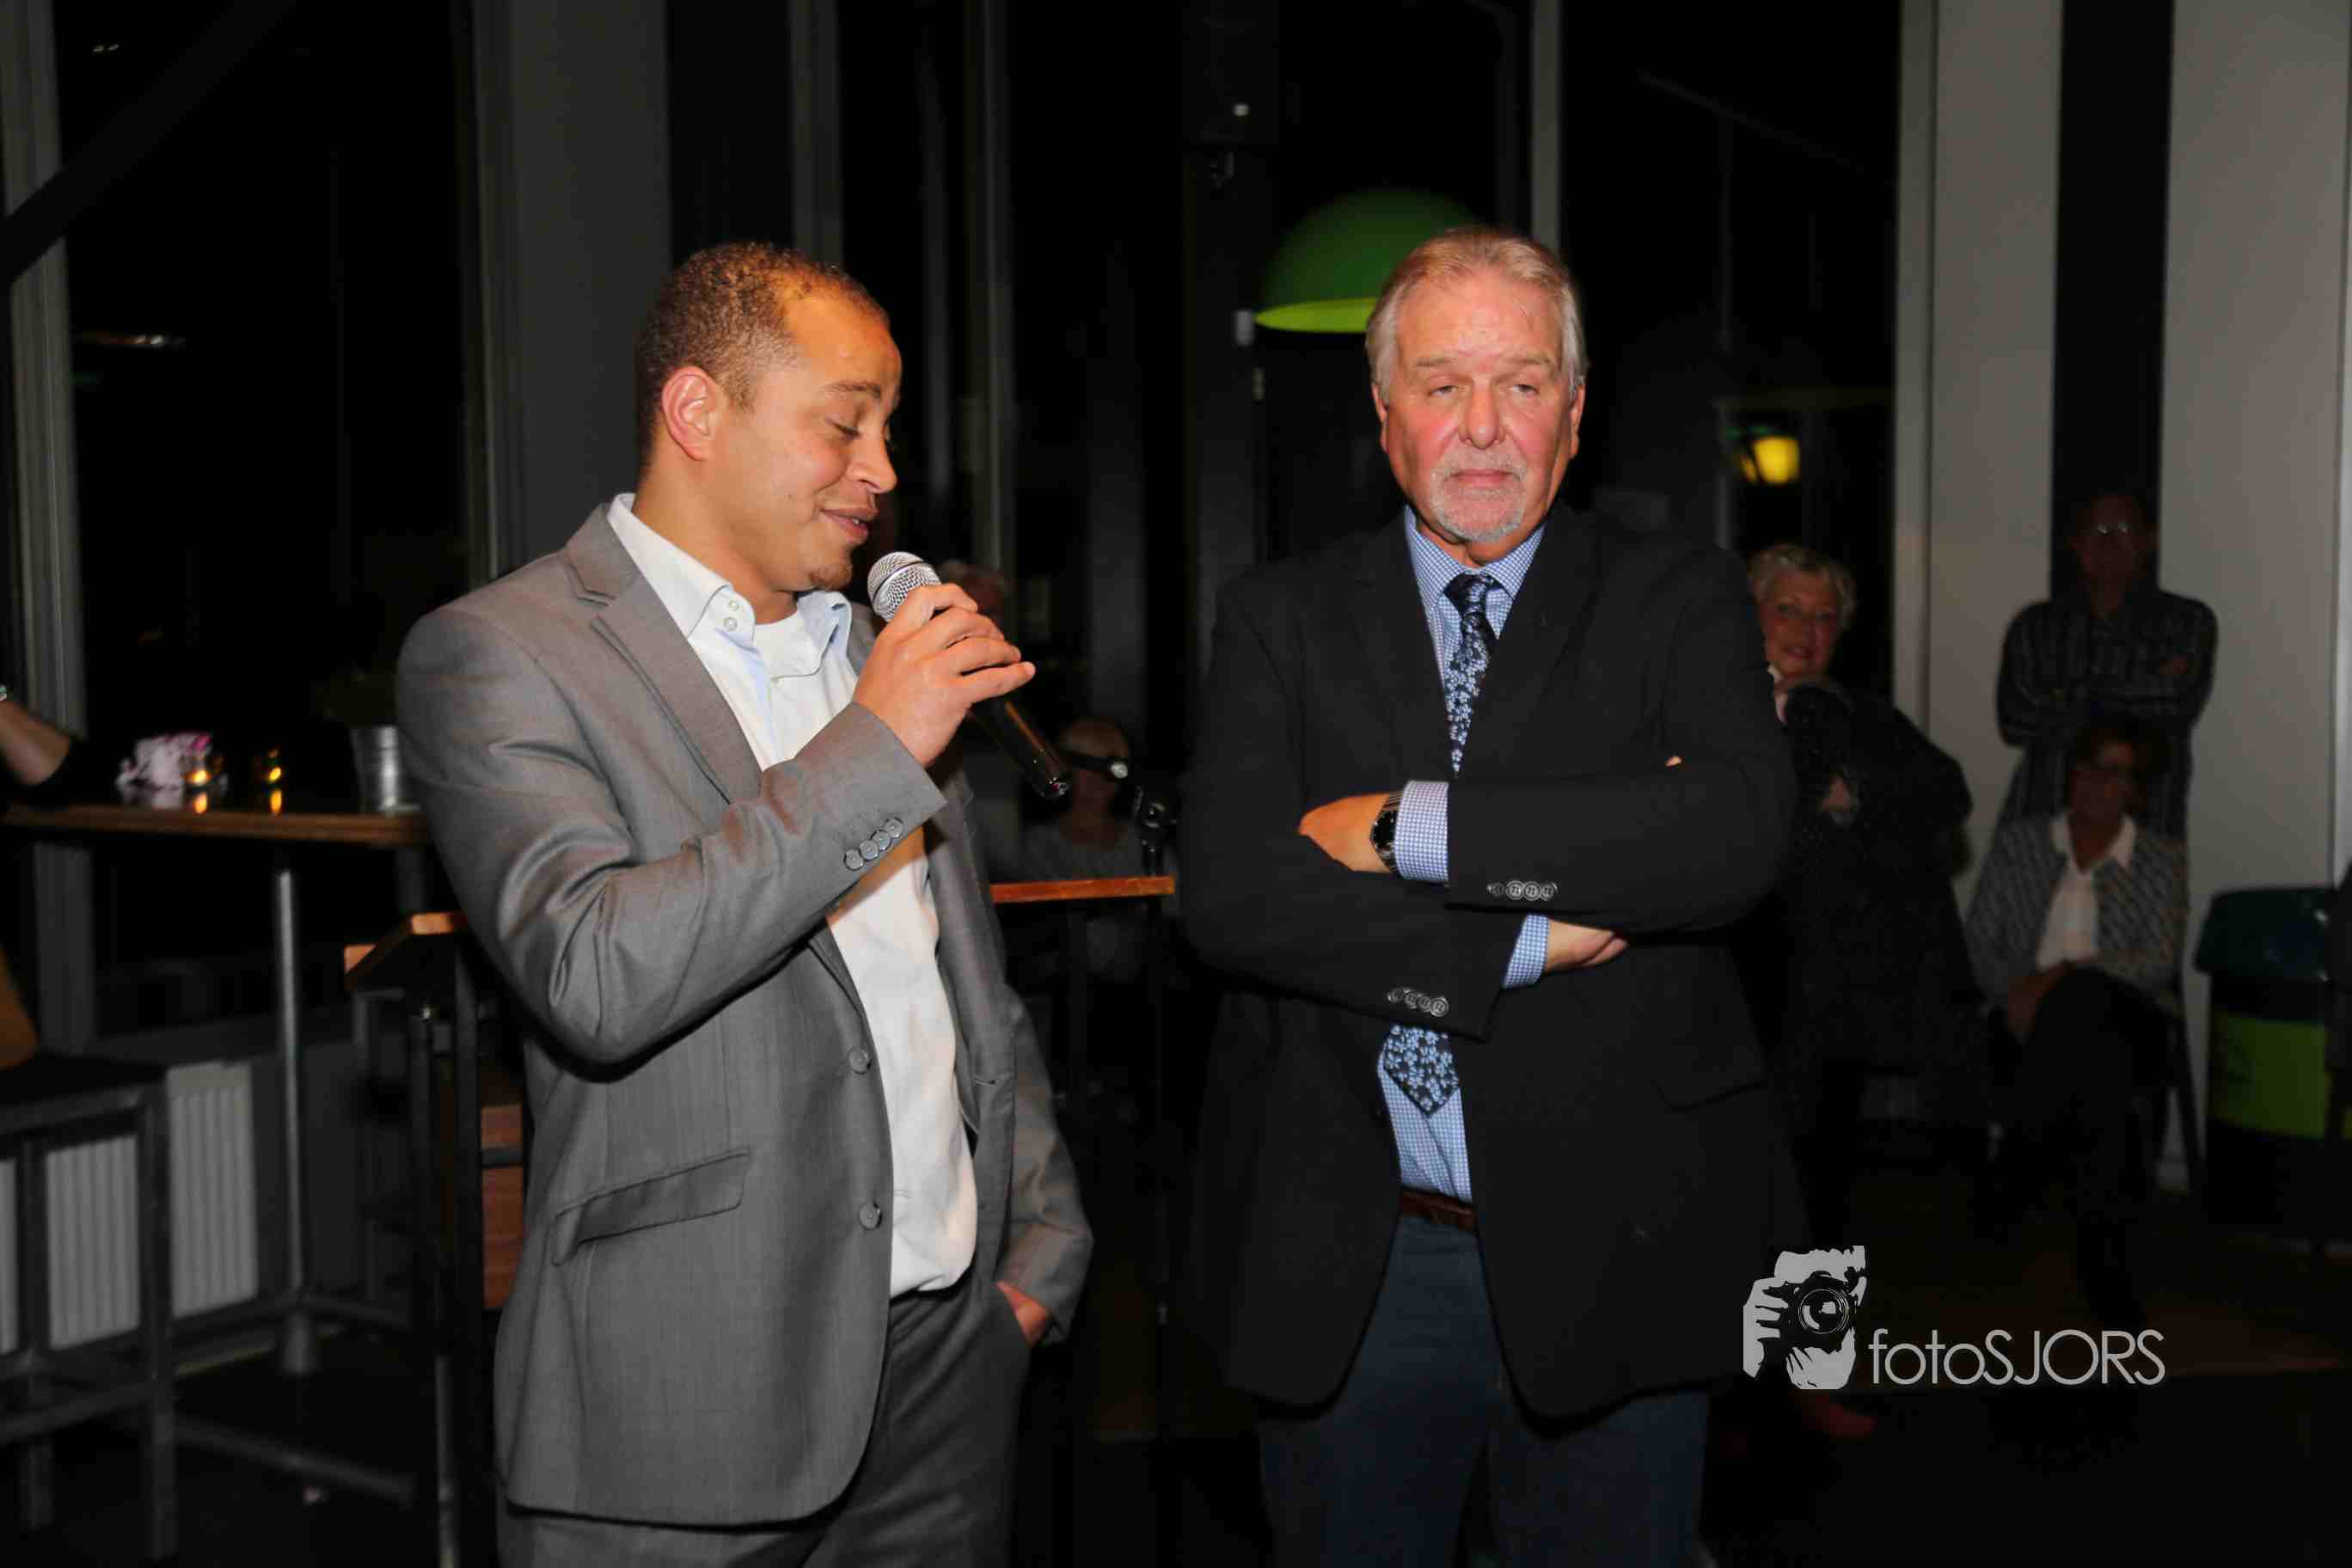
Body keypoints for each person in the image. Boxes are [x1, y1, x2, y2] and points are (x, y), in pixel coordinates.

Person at [397, 242, 1091, 1565]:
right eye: (844, 424)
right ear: (698, 412)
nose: (882, 472)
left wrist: (1035, 1256)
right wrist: (877, 748)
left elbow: (961, 985)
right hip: (684, 1399)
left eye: (886, 429)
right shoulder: (504, 652)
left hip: (947, 1373)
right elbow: (596, 976)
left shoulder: (869, 652)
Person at [1185, 228, 1799, 1565]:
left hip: (1620, 1246)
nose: (1481, 426)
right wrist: (1523, 938)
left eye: (1521, 385)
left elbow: (1733, 837)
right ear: (1383, 413)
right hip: (1353, 1262)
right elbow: (1232, 893)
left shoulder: (1678, 597)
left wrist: (1402, 828)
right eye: (1442, 384)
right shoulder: (1281, 617)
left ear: (1574, 416)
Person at [1964, 716, 2184, 1329]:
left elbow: (2156, 961)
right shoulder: (2021, 845)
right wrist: (2019, 992)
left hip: (2127, 1018)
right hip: (2025, 1025)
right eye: (2086, 768)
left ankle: (2018, 1163)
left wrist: (2058, 978)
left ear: (2135, 789)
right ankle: (2107, 1274)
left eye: (2113, 773)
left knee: (2084, 999)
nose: (2094, 783)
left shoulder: (2159, 858)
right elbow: (1977, 945)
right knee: (2101, 1090)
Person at [1995, 492, 2215, 841]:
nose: (2108, 541)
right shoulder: (2035, 626)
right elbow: (2015, 721)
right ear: (2076, 544)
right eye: (2096, 530)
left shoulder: (2186, 621)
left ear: (2149, 541)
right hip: (2039, 830)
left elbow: (2175, 703)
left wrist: (2062, 695)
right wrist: (2138, 688)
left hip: (2145, 833)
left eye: (2122, 529)